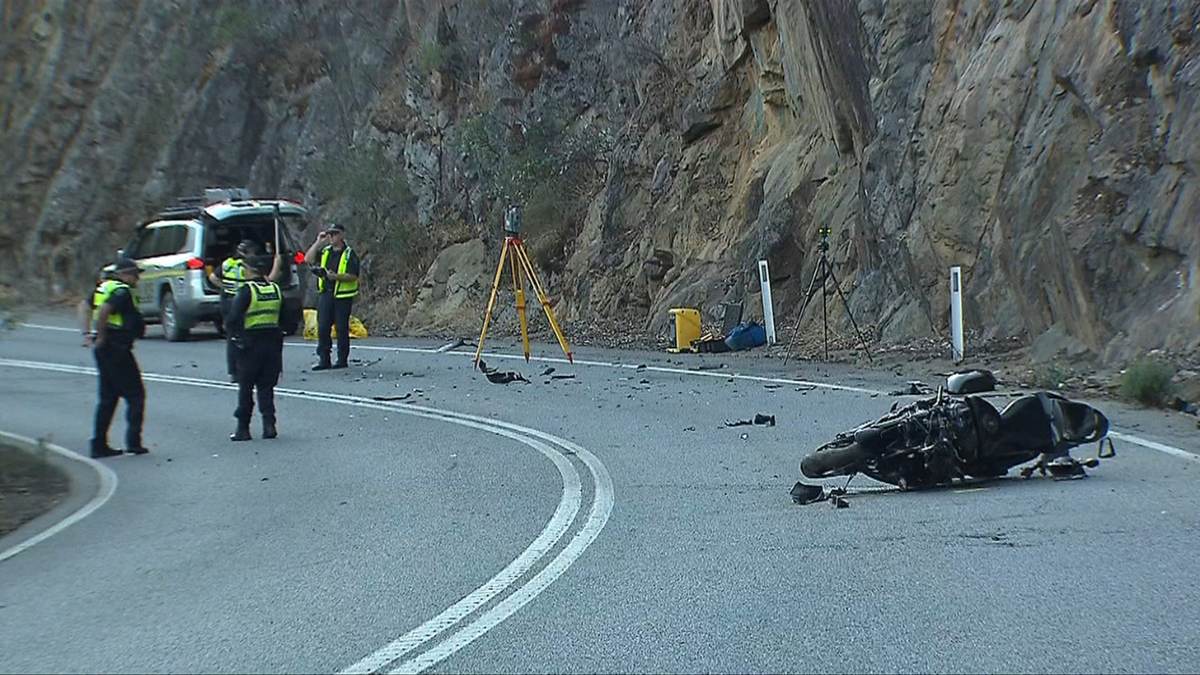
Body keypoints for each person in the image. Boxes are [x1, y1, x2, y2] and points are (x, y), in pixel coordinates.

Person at [84, 258, 147, 458]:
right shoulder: (121, 291)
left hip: (106, 349)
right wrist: (101, 335)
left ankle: (98, 444)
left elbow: (83, 307)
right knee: (136, 395)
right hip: (116, 348)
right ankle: (134, 443)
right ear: (124, 274)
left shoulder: (103, 287)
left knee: (108, 398)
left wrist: (87, 334)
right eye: (134, 274)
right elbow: (104, 310)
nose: (137, 278)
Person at [224, 253, 285, 441]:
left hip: (250, 347)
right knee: (266, 388)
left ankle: (243, 428)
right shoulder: (275, 289)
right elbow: (287, 317)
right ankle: (269, 425)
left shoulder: (246, 290)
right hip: (273, 346)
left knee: (246, 388)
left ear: (249, 271)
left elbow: (233, 319)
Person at [304, 222, 359, 370]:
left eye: (334, 234)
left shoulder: (349, 254)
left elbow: (353, 275)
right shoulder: (325, 252)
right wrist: (317, 242)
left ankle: (342, 359)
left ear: (341, 235)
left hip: (342, 296)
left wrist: (336, 277)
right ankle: (324, 359)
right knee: (323, 327)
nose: (331, 237)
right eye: (329, 234)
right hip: (326, 294)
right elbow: (307, 259)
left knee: (341, 328)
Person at [209, 240, 258, 382]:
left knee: (232, 337)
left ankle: (234, 372)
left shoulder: (227, 263)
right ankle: (247, 368)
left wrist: (224, 286)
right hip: (241, 300)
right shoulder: (247, 266)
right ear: (246, 252)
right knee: (245, 335)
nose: (254, 255)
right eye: (252, 252)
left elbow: (213, 277)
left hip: (227, 300)